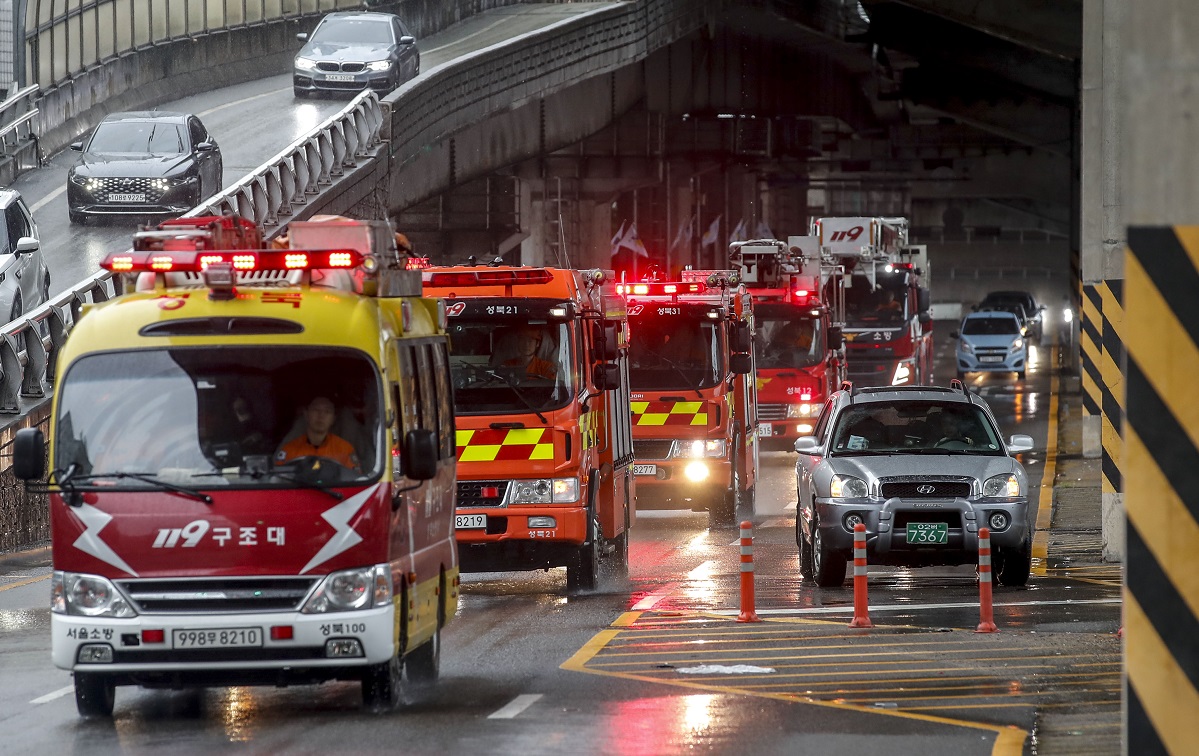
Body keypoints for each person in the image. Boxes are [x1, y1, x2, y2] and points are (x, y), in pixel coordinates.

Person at [275, 396, 360, 471]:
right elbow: (276, 480)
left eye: (327, 411)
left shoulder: (346, 450)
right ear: (306, 414)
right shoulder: (288, 450)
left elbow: (356, 481)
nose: (321, 415)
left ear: (333, 419)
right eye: (316, 410)